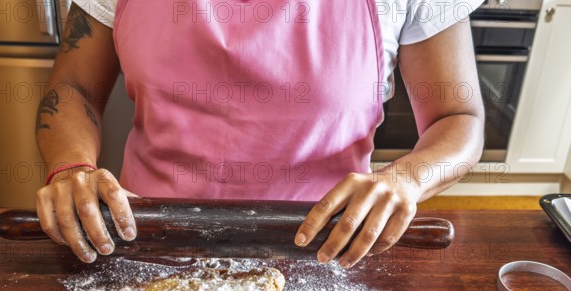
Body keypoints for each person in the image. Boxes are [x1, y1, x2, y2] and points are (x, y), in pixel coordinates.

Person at [35, 0, 485, 268]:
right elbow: (73, 87)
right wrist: (71, 166)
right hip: (148, 236)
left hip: (328, 246)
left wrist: (406, 179)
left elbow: (458, 117)